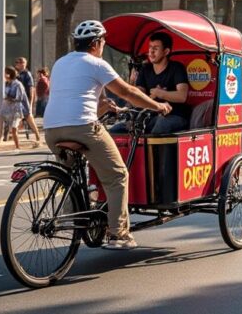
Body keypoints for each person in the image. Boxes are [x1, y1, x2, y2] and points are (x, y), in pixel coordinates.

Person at [44, 20, 171, 250]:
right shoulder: (97, 64)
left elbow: (76, 96)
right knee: (118, 175)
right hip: (82, 128)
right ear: (96, 43)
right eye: (102, 42)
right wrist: (157, 106)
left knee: (72, 173)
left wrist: (106, 107)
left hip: (51, 129)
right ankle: (119, 234)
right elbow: (128, 91)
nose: (103, 46)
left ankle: (72, 216)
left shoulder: (60, 63)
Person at [111, 32, 190, 134]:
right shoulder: (145, 69)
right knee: (116, 130)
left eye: (156, 48)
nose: (151, 52)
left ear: (166, 51)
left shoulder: (177, 68)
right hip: (149, 116)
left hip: (175, 116)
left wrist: (160, 93)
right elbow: (139, 93)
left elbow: (182, 96)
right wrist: (131, 87)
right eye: (150, 47)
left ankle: (150, 150)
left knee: (159, 125)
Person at [0, 67, 30, 156]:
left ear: (9, 74)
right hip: (5, 108)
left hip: (15, 110)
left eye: (5, 73)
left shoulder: (17, 84)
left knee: (13, 129)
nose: (3, 75)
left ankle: (17, 147)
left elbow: (19, 98)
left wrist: (9, 98)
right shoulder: (6, 84)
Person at [13, 57, 42, 147]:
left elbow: (31, 88)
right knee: (16, 119)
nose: (22, 64)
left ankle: (38, 137)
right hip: (16, 100)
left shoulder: (27, 74)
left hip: (24, 100)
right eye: (19, 62)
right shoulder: (15, 74)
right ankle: (14, 139)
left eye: (23, 62)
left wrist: (31, 102)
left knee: (29, 119)